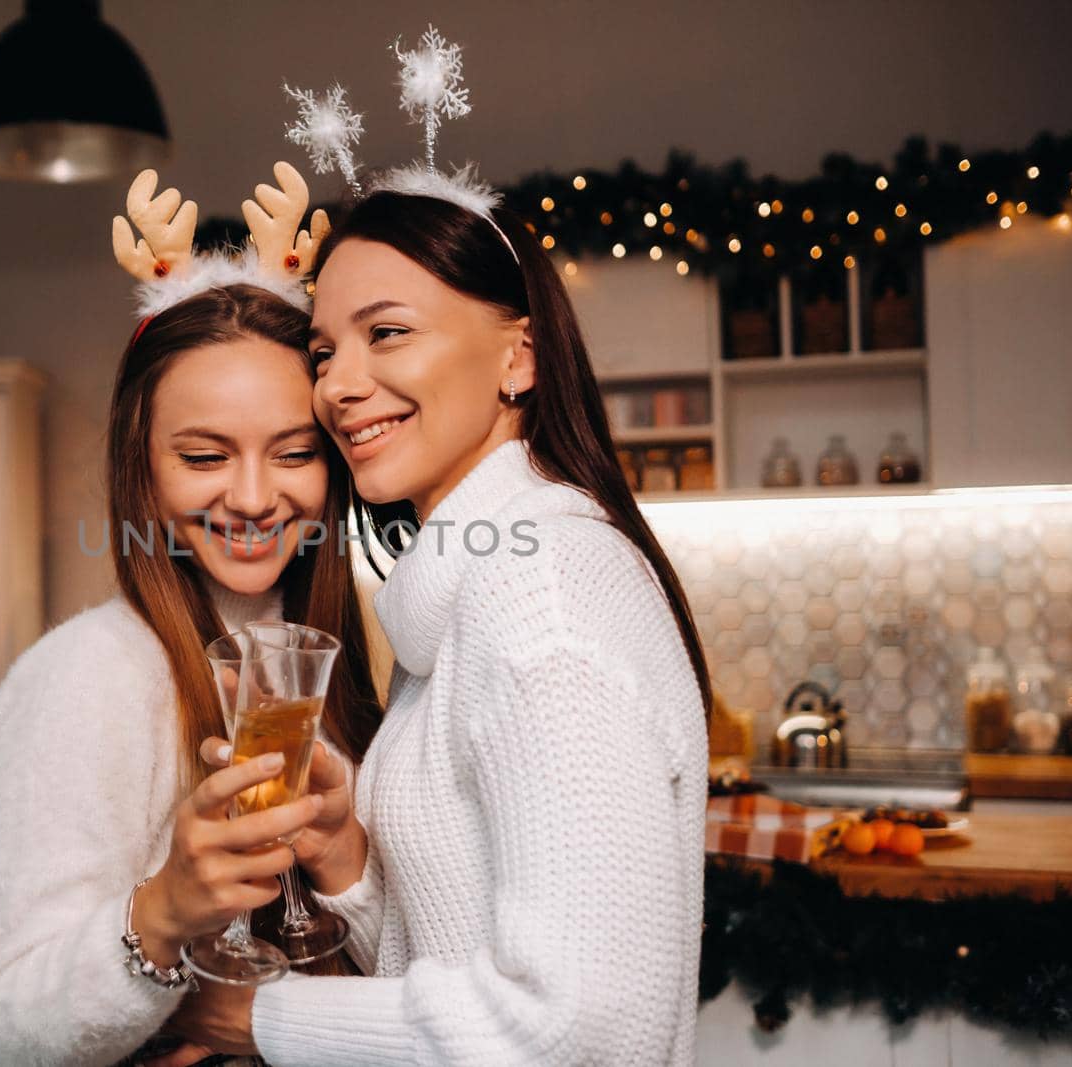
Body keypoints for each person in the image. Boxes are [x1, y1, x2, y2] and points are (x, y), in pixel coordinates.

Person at [168, 77, 712, 1066]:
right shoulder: (457, 599)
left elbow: (579, 1029)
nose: (338, 382)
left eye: (386, 333)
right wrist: (347, 861)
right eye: (324, 349)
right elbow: (456, 956)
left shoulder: (541, 585)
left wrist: (255, 1016)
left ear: (518, 357)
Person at [0, 166, 383, 1067]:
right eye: (203, 454)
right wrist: (160, 914)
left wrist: (345, 859)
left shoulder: (348, 651)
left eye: (292, 452)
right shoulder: (88, 676)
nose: (251, 495)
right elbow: (7, 1028)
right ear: (142, 467)